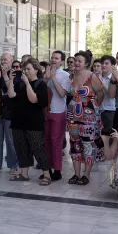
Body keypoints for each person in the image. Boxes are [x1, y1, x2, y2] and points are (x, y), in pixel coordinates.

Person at [52, 51, 104, 185]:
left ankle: (86, 175)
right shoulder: (71, 76)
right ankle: (76, 174)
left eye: (80, 61)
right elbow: (62, 93)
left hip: (89, 116)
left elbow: (100, 93)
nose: (76, 63)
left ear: (86, 63)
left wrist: (94, 107)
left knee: (88, 144)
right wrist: (53, 78)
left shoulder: (92, 76)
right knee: (75, 144)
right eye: (75, 60)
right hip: (73, 115)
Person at [8, 58, 50, 184]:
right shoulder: (19, 83)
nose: (26, 71)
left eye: (28, 69)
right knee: (21, 148)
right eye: (24, 69)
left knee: (38, 148)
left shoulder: (41, 84)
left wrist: (27, 84)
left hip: (34, 122)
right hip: (18, 121)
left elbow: (34, 100)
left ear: (36, 70)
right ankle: (24, 174)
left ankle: (47, 174)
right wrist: (11, 80)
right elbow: (11, 95)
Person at [43, 51, 70, 182]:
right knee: (46, 141)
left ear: (62, 61)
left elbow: (62, 93)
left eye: (57, 58)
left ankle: (57, 170)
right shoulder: (46, 72)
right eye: (52, 58)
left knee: (56, 141)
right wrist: (46, 78)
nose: (53, 60)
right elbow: (41, 90)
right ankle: (47, 170)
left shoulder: (65, 75)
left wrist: (53, 77)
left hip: (58, 111)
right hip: (46, 111)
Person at [98, 55, 117, 130]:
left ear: (112, 66)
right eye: (102, 63)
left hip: (109, 110)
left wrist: (101, 82)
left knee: (108, 133)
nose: (103, 65)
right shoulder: (98, 76)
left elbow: (111, 94)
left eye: (106, 63)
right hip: (98, 109)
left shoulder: (114, 78)